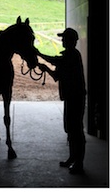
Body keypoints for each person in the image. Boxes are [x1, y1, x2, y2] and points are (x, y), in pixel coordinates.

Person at [37, 28, 86, 174]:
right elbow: (56, 76)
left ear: (72, 41)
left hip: (75, 98)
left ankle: (79, 163)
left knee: (76, 130)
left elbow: (54, 60)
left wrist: (38, 54)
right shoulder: (67, 56)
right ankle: (73, 158)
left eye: (65, 39)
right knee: (71, 129)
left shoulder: (72, 55)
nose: (63, 41)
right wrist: (45, 68)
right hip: (71, 97)